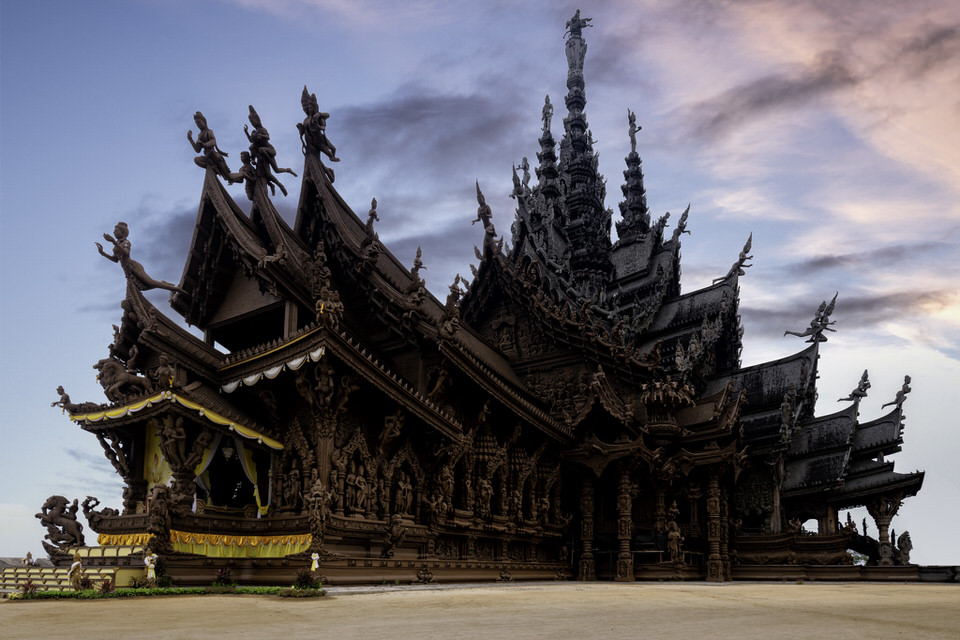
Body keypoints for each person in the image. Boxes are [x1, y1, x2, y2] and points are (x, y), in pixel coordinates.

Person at [96, 222, 183, 293]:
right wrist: (102, 252)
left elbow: (126, 253)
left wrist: (114, 242)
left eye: (116, 231)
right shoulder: (116, 245)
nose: (114, 233)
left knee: (150, 282)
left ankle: (175, 289)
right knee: (142, 287)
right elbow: (115, 260)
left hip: (133, 266)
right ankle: (162, 283)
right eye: (114, 231)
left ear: (123, 232)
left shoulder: (126, 242)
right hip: (127, 270)